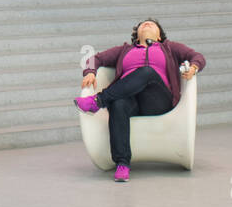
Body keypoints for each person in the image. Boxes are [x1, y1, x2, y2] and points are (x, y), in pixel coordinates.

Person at [73, 18, 205, 182]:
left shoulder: (169, 48)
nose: (147, 24)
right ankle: (122, 163)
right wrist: (90, 72)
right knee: (118, 104)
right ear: (136, 35)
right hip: (131, 101)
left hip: (157, 101)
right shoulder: (124, 50)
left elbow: (196, 56)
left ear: (159, 36)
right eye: (143, 24)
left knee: (147, 72)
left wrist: (193, 67)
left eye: (152, 24)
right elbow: (95, 59)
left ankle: (98, 101)